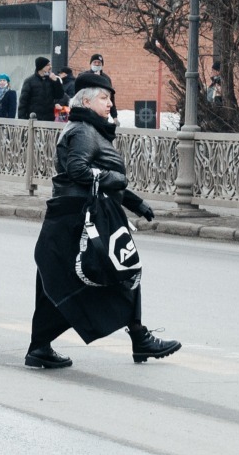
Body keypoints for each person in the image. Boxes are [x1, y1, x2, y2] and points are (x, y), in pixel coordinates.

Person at [25, 73, 177, 368]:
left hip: (73, 214)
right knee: (122, 269)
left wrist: (135, 202)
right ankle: (139, 337)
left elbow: (96, 176)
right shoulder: (83, 130)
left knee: (55, 282)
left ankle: (39, 347)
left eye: (110, 97)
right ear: (85, 100)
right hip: (77, 218)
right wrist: (118, 178)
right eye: (104, 98)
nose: (110, 103)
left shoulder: (89, 128)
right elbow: (78, 171)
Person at [17, 57, 59, 121]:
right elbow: (23, 102)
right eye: (48, 65)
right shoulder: (29, 81)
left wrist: (56, 81)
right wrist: (22, 119)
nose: (50, 67)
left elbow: (59, 95)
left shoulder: (51, 80)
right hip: (34, 120)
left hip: (49, 119)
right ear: (41, 67)